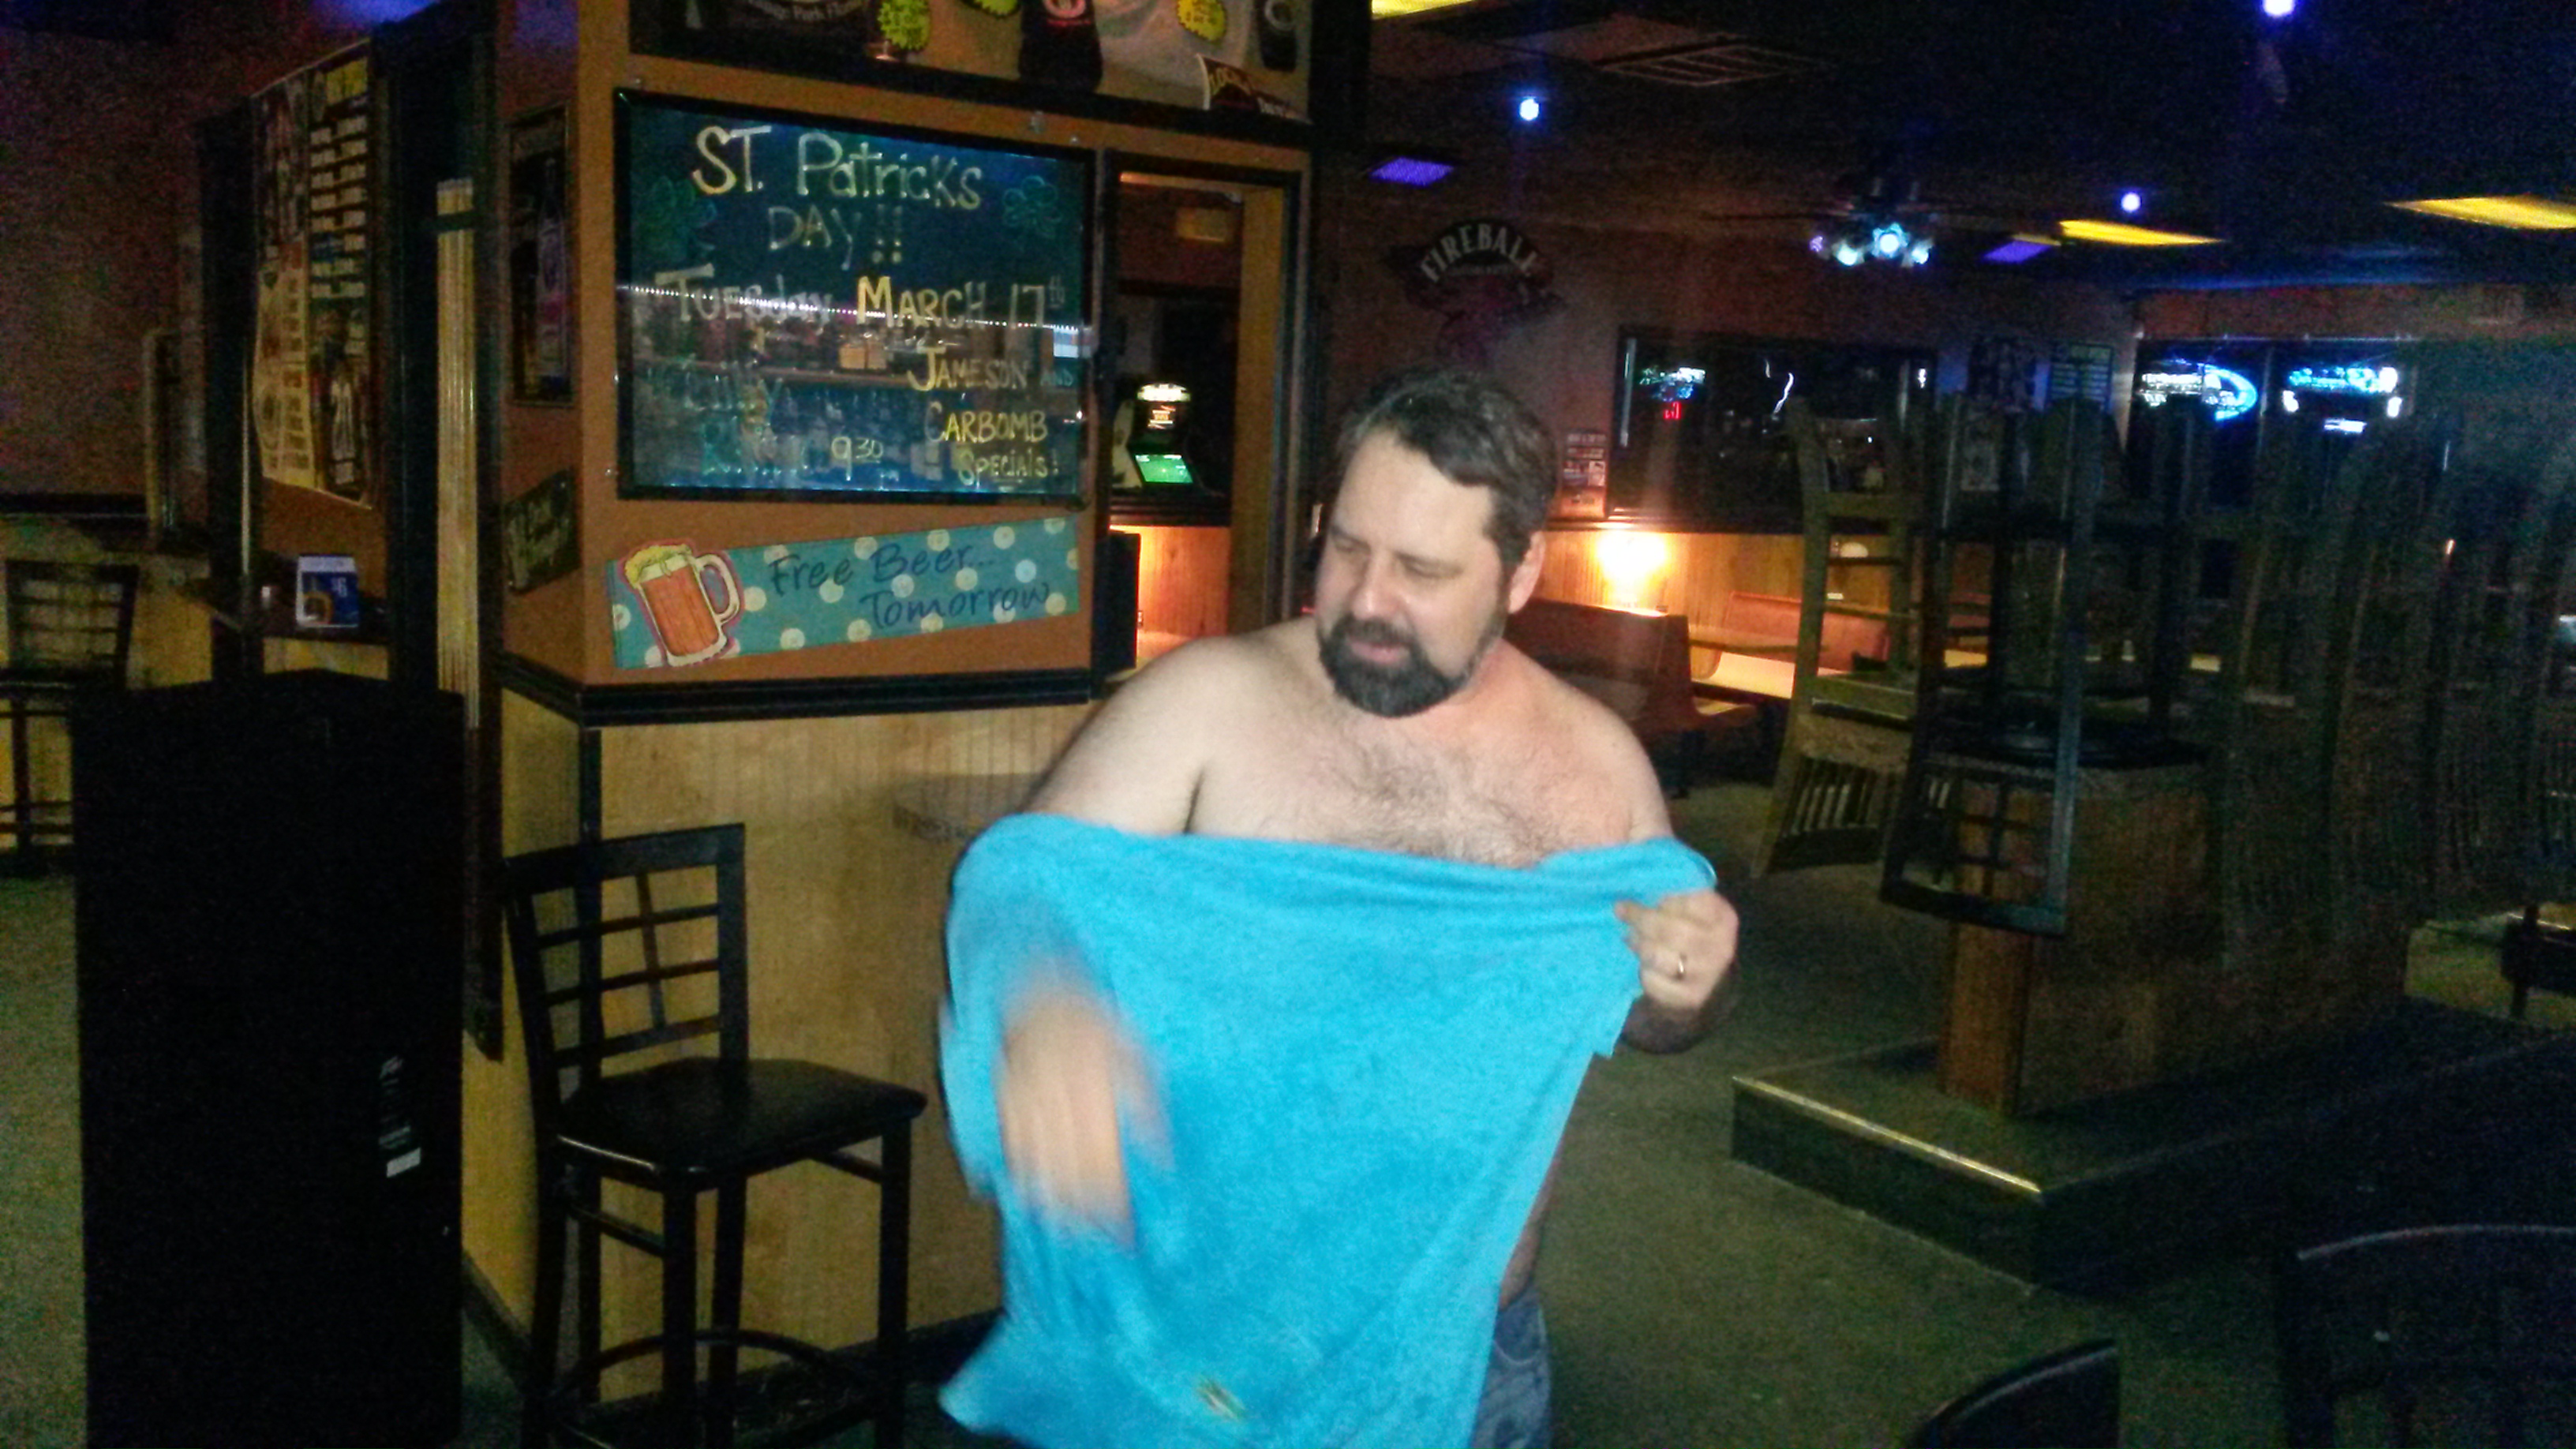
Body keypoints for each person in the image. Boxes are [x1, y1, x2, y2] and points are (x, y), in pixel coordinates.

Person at [954, 365, 1740, 1446]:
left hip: (1464, 1355)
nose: (1368, 601)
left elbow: (1656, 1016)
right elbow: (1024, 880)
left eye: (1423, 570)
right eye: (1348, 547)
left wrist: (1692, 989)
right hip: (1202, 1342)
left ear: (1519, 574)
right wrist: (1043, 996)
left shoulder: (1598, 773)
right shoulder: (1209, 703)